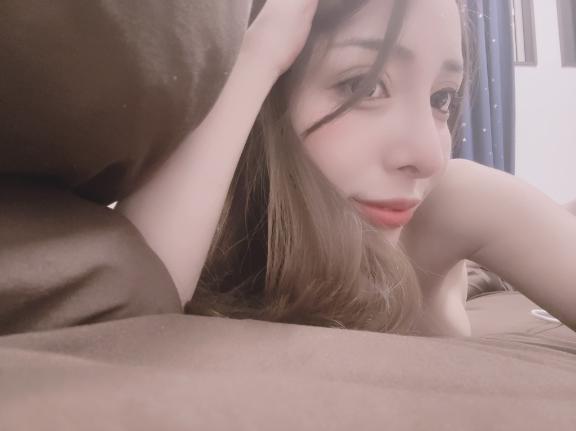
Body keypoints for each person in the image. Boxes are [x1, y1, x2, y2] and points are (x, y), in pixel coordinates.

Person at [117, 0, 576, 336]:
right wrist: (255, 53)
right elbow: (126, 326)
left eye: (442, 98)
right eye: (364, 85)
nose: (429, 157)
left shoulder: (456, 199)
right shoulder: (205, 225)